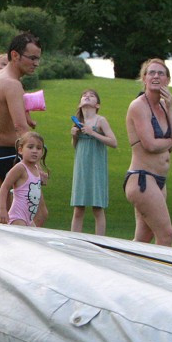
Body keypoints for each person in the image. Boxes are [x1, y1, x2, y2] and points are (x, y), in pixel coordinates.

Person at [0, 33, 44, 222]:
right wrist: (37, 166)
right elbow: (20, 128)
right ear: (15, 55)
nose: (36, 63)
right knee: (37, 214)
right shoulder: (12, 84)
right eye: (32, 58)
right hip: (10, 155)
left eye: (38, 58)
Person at [124, 59, 172, 246]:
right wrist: (169, 141)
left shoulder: (164, 107)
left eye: (161, 73)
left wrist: (171, 106)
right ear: (144, 78)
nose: (156, 76)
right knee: (166, 235)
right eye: (151, 73)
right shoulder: (138, 106)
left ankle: (124, 272)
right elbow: (149, 144)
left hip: (158, 181)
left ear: (167, 80)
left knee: (142, 240)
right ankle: (159, 275)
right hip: (142, 179)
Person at [70, 89, 117, 235]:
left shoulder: (100, 120)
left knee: (97, 208)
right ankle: (75, 240)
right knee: (78, 208)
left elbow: (113, 142)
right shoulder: (79, 122)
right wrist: (74, 136)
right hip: (81, 168)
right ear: (80, 104)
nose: (87, 97)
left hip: (96, 168)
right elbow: (75, 146)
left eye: (91, 96)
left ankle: (100, 242)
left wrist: (93, 133)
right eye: (84, 95)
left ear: (97, 105)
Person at [0, 132, 48, 226]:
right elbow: (4, 187)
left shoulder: (36, 169)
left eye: (38, 148)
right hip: (18, 217)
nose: (34, 151)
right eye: (30, 147)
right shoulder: (20, 168)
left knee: (31, 239)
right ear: (20, 150)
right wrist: (2, 209)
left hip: (29, 219)